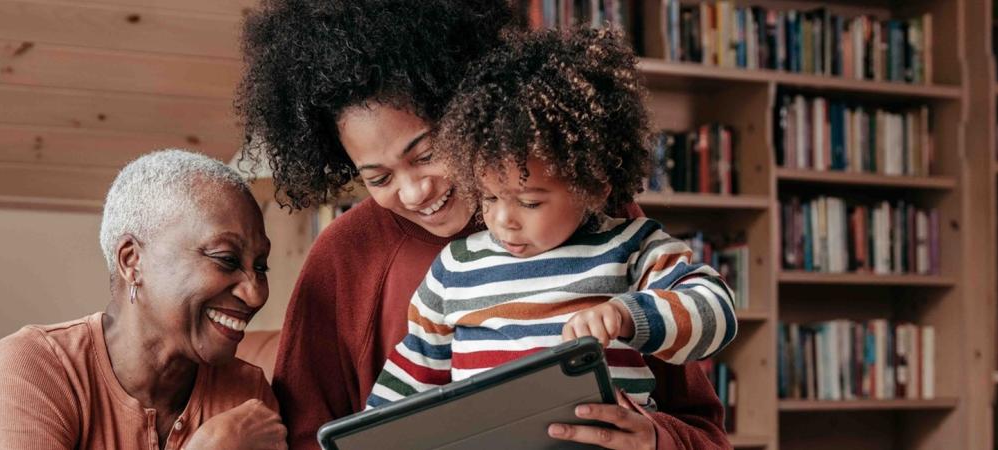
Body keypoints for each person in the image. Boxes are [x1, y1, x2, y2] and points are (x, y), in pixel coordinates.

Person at [236, 0, 732, 448]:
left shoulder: (594, 220)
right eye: (379, 177)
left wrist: (654, 438)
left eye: (427, 153)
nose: (414, 192)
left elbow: (703, 429)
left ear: (466, 112)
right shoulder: (346, 259)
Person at [365, 29, 739, 439]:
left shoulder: (630, 246)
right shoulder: (455, 268)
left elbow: (714, 312)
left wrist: (627, 315)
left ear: (594, 186)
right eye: (488, 197)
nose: (503, 220)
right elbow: (408, 381)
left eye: (529, 202)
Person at [0, 149, 286, 450]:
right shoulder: (31, 368)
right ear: (132, 261)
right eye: (226, 259)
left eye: (261, 266)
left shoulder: (247, 399)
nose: (255, 293)